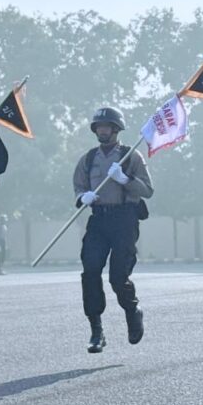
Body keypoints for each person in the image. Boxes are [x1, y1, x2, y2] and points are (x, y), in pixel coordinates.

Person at [73, 107, 153, 353]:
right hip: (98, 220)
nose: (102, 130)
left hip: (124, 220)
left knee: (118, 276)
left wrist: (124, 179)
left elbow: (148, 190)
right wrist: (81, 197)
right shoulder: (88, 159)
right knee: (90, 271)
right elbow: (78, 186)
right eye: (99, 127)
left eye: (106, 126)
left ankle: (132, 310)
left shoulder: (131, 157)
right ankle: (96, 331)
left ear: (116, 129)